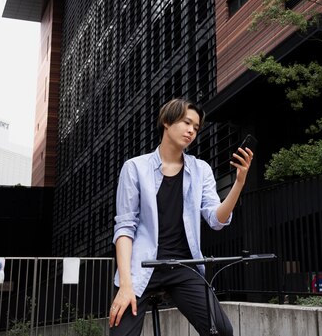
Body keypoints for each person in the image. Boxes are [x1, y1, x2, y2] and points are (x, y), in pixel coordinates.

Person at [108, 98, 253, 336]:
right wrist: (125, 285)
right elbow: (125, 228)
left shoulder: (201, 170)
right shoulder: (134, 168)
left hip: (184, 267)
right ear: (167, 121)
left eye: (196, 128)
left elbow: (216, 220)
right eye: (187, 123)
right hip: (142, 267)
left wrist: (239, 182)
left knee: (222, 331)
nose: (191, 131)